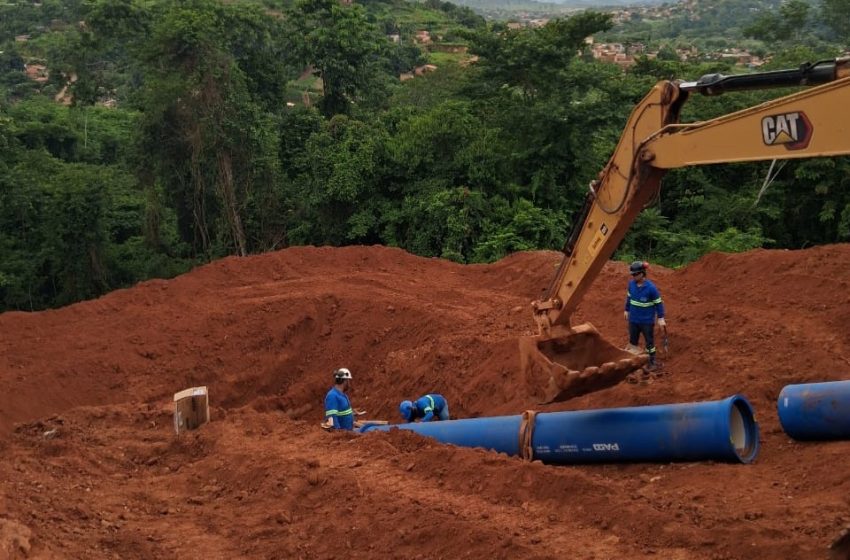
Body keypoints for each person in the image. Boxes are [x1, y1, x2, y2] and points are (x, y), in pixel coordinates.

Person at [624, 261, 666, 369]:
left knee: (649, 343)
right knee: (633, 342)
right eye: (632, 274)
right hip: (633, 320)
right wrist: (626, 310)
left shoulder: (651, 288)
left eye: (635, 274)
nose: (633, 276)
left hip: (646, 321)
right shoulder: (631, 284)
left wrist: (661, 318)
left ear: (642, 273)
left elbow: (658, 303)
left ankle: (651, 362)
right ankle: (633, 363)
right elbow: (629, 297)